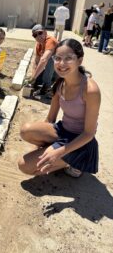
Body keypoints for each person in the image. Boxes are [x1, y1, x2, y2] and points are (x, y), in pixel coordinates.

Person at [18, 39, 101, 178]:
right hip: (63, 131)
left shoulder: (90, 90)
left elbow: (89, 133)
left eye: (69, 58)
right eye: (57, 58)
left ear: (79, 60)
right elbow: (50, 118)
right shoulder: (60, 83)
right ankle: (55, 153)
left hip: (81, 142)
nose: (61, 64)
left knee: (24, 165)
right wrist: (39, 149)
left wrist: (59, 152)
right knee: (25, 130)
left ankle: (73, 162)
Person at [29, 24, 58, 96]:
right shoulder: (39, 45)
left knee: (50, 58)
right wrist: (33, 77)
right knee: (37, 79)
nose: (38, 36)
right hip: (54, 69)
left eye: (40, 33)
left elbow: (44, 59)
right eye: (35, 35)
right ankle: (44, 82)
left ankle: (47, 87)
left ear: (45, 32)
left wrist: (33, 77)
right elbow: (36, 62)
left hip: (62, 70)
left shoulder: (50, 40)